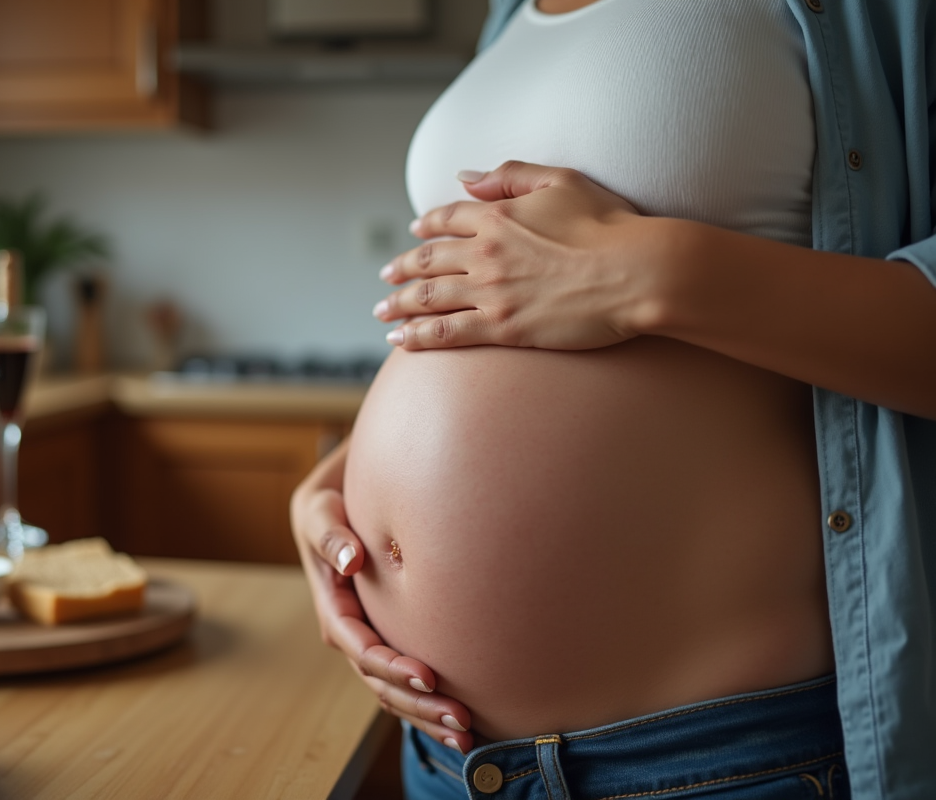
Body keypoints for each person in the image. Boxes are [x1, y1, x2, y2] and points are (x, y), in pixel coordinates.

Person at [290, 0, 936, 799]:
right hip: (449, 757)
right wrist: (334, 489)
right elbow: (499, 316)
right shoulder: (508, 17)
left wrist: (653, 275)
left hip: (722, 761)